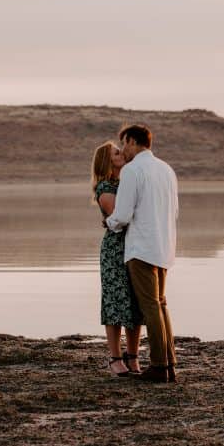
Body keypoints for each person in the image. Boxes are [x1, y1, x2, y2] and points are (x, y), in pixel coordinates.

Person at [105, 124, 179, 383]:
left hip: (142, 248)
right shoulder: (166, 169)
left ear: (134, 141)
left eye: (124, 143)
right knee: (161, 304)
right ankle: (169, 364)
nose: (123, 149)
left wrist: (109, 223)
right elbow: (174, 211)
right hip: (164, 246)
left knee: (150, 307)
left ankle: (159, 366)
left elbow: (123, 214)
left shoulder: (133, 170)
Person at [91, 141, 143, 376]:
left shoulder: (129, 181)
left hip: (135, 246)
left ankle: (133, 357)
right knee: (114, 303)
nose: (121, 153)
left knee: (135, 303)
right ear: (107, 160)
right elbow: (118, 216)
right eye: (116, 152)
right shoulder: (105, 186)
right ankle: (114, 358)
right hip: (114, 250)